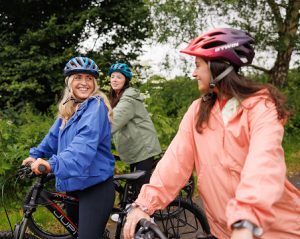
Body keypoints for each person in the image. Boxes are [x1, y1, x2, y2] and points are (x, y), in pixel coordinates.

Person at [123, 28, 300, 239]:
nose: (194, 73)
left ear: (219, 67)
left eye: (198, 65)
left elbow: (264, 163)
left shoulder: (260, 106)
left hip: (276, 230)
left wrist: (246, 220)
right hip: (224, 232)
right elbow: (175, 162)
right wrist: (144, 204)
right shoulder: (198, 111)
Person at [22, 56, 115, 239]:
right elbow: (52, 138)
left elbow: (83, 147)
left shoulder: (96, 107)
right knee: (76, 234)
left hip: (95, 185)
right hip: (74, 184)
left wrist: (51, 164)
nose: (84, 83)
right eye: (78, 77)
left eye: (89, 78)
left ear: (95, 83)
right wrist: (35, 155)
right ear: (69, 82)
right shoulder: (69, 109)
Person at [108, 62, 161, 197]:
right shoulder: (114, 97)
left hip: (143, 147)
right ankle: (131, 210)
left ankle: (149, 216)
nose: (114, 80)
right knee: (133, 184)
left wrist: (94, 137)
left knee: (141, 187)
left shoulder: (128, 99)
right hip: (134, 147)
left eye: (119, 77)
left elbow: (113, 121)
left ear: (126, 80)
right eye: (112, 76)